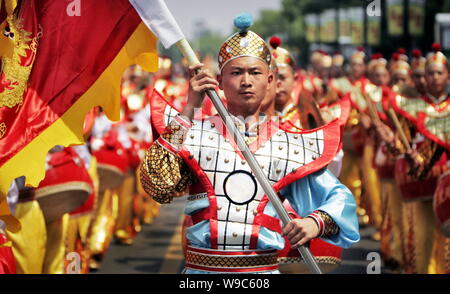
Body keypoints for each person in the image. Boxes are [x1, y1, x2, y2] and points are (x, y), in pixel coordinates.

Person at [140, 14, 359, 274]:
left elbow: (338, 198)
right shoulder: (194, 133)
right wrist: (189, 108)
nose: (246, 81)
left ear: (269, 82)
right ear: (219, 81)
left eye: (255, 72)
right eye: (236, 72)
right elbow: (157, 186)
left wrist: (316, 222)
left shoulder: (287, 143)